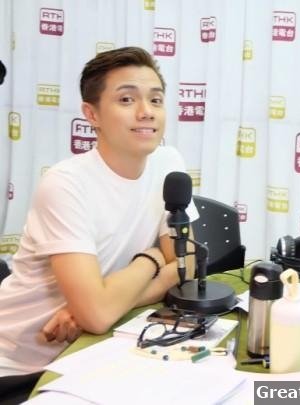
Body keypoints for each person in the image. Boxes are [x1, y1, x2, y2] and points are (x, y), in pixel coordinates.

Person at [0, 46, 197, 401]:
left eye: (156, 100)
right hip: (19, 368)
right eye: (126, 99)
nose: (146, 112)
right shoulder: (66, 184)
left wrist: (103, 306)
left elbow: (186, 263)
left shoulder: (168, 162)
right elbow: (101, 311)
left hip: (92, 351)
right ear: (92, 114)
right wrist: (153, 257)